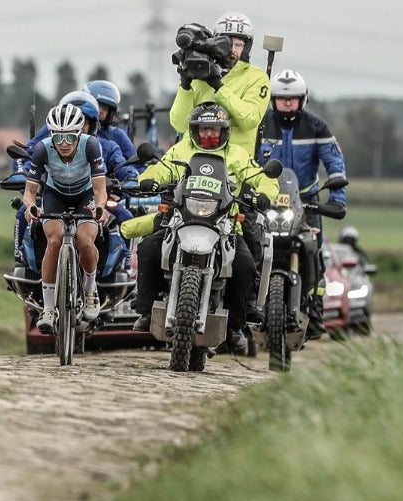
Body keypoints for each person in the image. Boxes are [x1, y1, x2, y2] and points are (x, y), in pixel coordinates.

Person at [123, 102, 279, 353]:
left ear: (224, 131)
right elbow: (159, 169)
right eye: (203, 129)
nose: (208, 134)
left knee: (245, 265)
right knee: (149, 248)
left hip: (225, 225)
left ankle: (235, 327)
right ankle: (146, 309)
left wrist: (264, 194)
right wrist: (147, 181)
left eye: (214, 129)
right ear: (194, 130)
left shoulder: (237, 154)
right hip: (181, 219)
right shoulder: (181, 148)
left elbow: (263, 178)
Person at [258, 68, 348, 334]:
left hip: (305, 200)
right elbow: (245, 159)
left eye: (293, 98)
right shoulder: (261, 125)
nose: (287, 103)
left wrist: (337, 197)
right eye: (282, 99)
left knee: (315, 252)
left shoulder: (316, 126)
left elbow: (335, 163)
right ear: (273, 99)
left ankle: (316, 311)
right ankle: (246, 310)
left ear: (303, 99)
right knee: (250, 248)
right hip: (266, 201)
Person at [21, 103, 110, 332]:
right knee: (53, 240)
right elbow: (29, 193)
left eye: (70, 137)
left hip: (85, 194)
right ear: (51, 135)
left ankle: (90, 289)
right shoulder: (42, 149)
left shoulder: (91, 145)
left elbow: (100, 190)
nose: (64, 144)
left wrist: (100, 207)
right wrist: (31, 207)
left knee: (85, 240)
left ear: (80, 133)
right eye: (58, 137)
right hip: (55, 194)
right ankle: (49, 309)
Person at [168, 12, 271, 155]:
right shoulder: (201, 71)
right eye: (227, 44)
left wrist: (218, 86)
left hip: (235, 166)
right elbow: (179, 124)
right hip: (194, 162)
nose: (233, 50)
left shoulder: (257, 77)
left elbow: (250, 119)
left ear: (247, 48)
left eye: (238, 44)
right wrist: (185, 85)